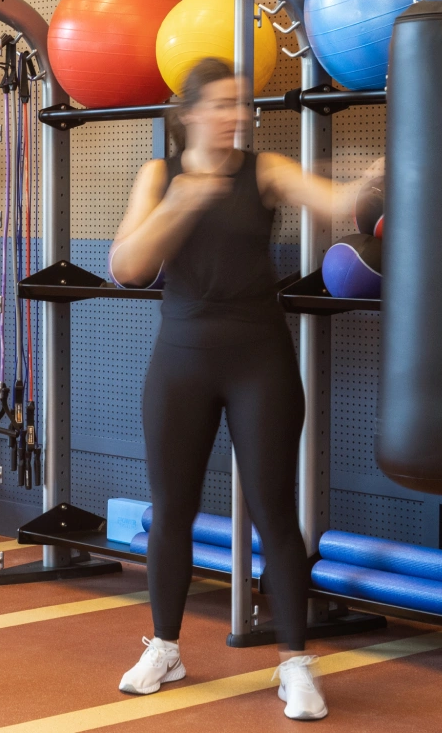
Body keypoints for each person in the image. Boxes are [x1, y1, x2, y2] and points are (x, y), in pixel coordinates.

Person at [107, 58, 373, 721]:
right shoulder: (159, 177)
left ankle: (293, 663)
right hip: (182, 359)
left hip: (260, 359)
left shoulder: (266, 171)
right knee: (171, 510)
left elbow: (337, 204)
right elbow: (127, 268)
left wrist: (373, 179)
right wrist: (180, 203)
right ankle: (165, 647)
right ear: (190, 113)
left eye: (243, 105)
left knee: (276, 512)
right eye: (224, 105)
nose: (239, 116)